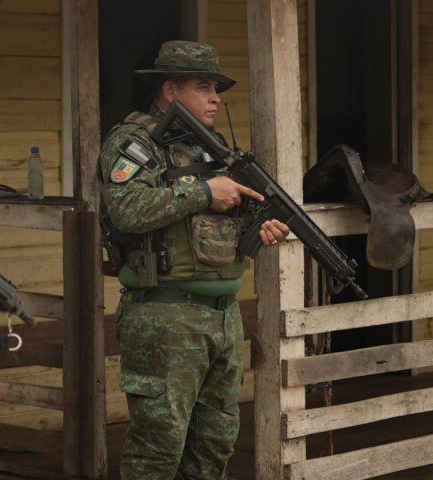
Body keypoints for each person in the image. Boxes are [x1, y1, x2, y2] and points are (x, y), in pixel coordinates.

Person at [97, 40, 290, 479]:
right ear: (170, 90)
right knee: (157, 453)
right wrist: (204, 191)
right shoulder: (133, 142)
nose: (216, 97)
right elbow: (126, 208)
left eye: (216, 88)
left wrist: (259, 229)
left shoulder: (212, 148)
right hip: (165, 315)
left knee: (213, 449)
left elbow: (224, 223)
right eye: (204, 87)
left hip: (223, 317)